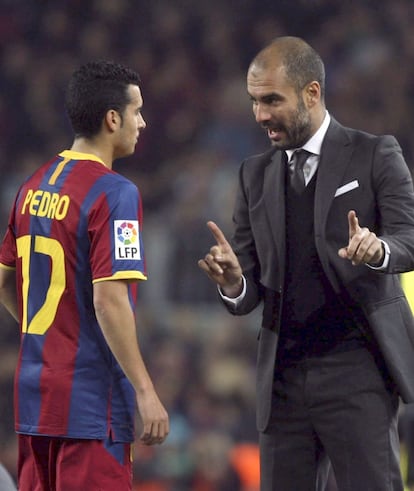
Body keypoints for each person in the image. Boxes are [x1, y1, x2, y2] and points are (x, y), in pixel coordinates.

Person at [198, 36, 414, 491]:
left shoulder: (375, 153)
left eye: (272, 100)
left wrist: (379, 250)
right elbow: (248, 288)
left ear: (311, 93)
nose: (260, 115)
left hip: (357, 371)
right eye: (255, 102)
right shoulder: (253, 174)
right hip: (282, 380)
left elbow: (409, 236)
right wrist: (235, 282)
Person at [0, 60, 169, 491]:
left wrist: (52, 334)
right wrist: (145, 391)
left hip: (35, 400)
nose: (143, 122)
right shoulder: (116, 193)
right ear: (113, 119)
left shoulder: (32, 186)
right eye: (137, 111)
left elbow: (3, 278)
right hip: (91, 407)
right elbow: (109, 300)